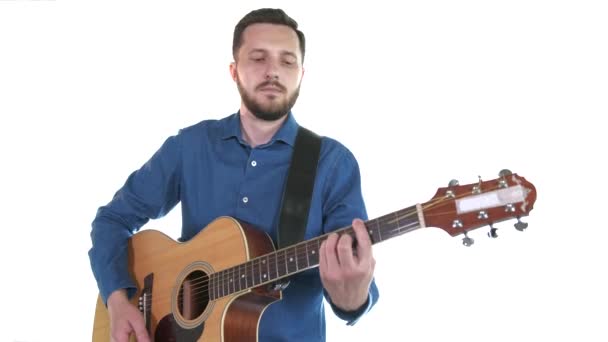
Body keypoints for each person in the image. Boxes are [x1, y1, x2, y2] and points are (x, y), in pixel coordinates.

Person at [89, 7, 379, 342]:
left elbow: (354, 289)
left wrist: (352, 296)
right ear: (233, 71)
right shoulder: (190, 146)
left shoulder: (332, 163)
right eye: (258, 58)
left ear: (302, 73)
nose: (273, 71)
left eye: (287, 61)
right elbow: (112, 220)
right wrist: (118, 300)